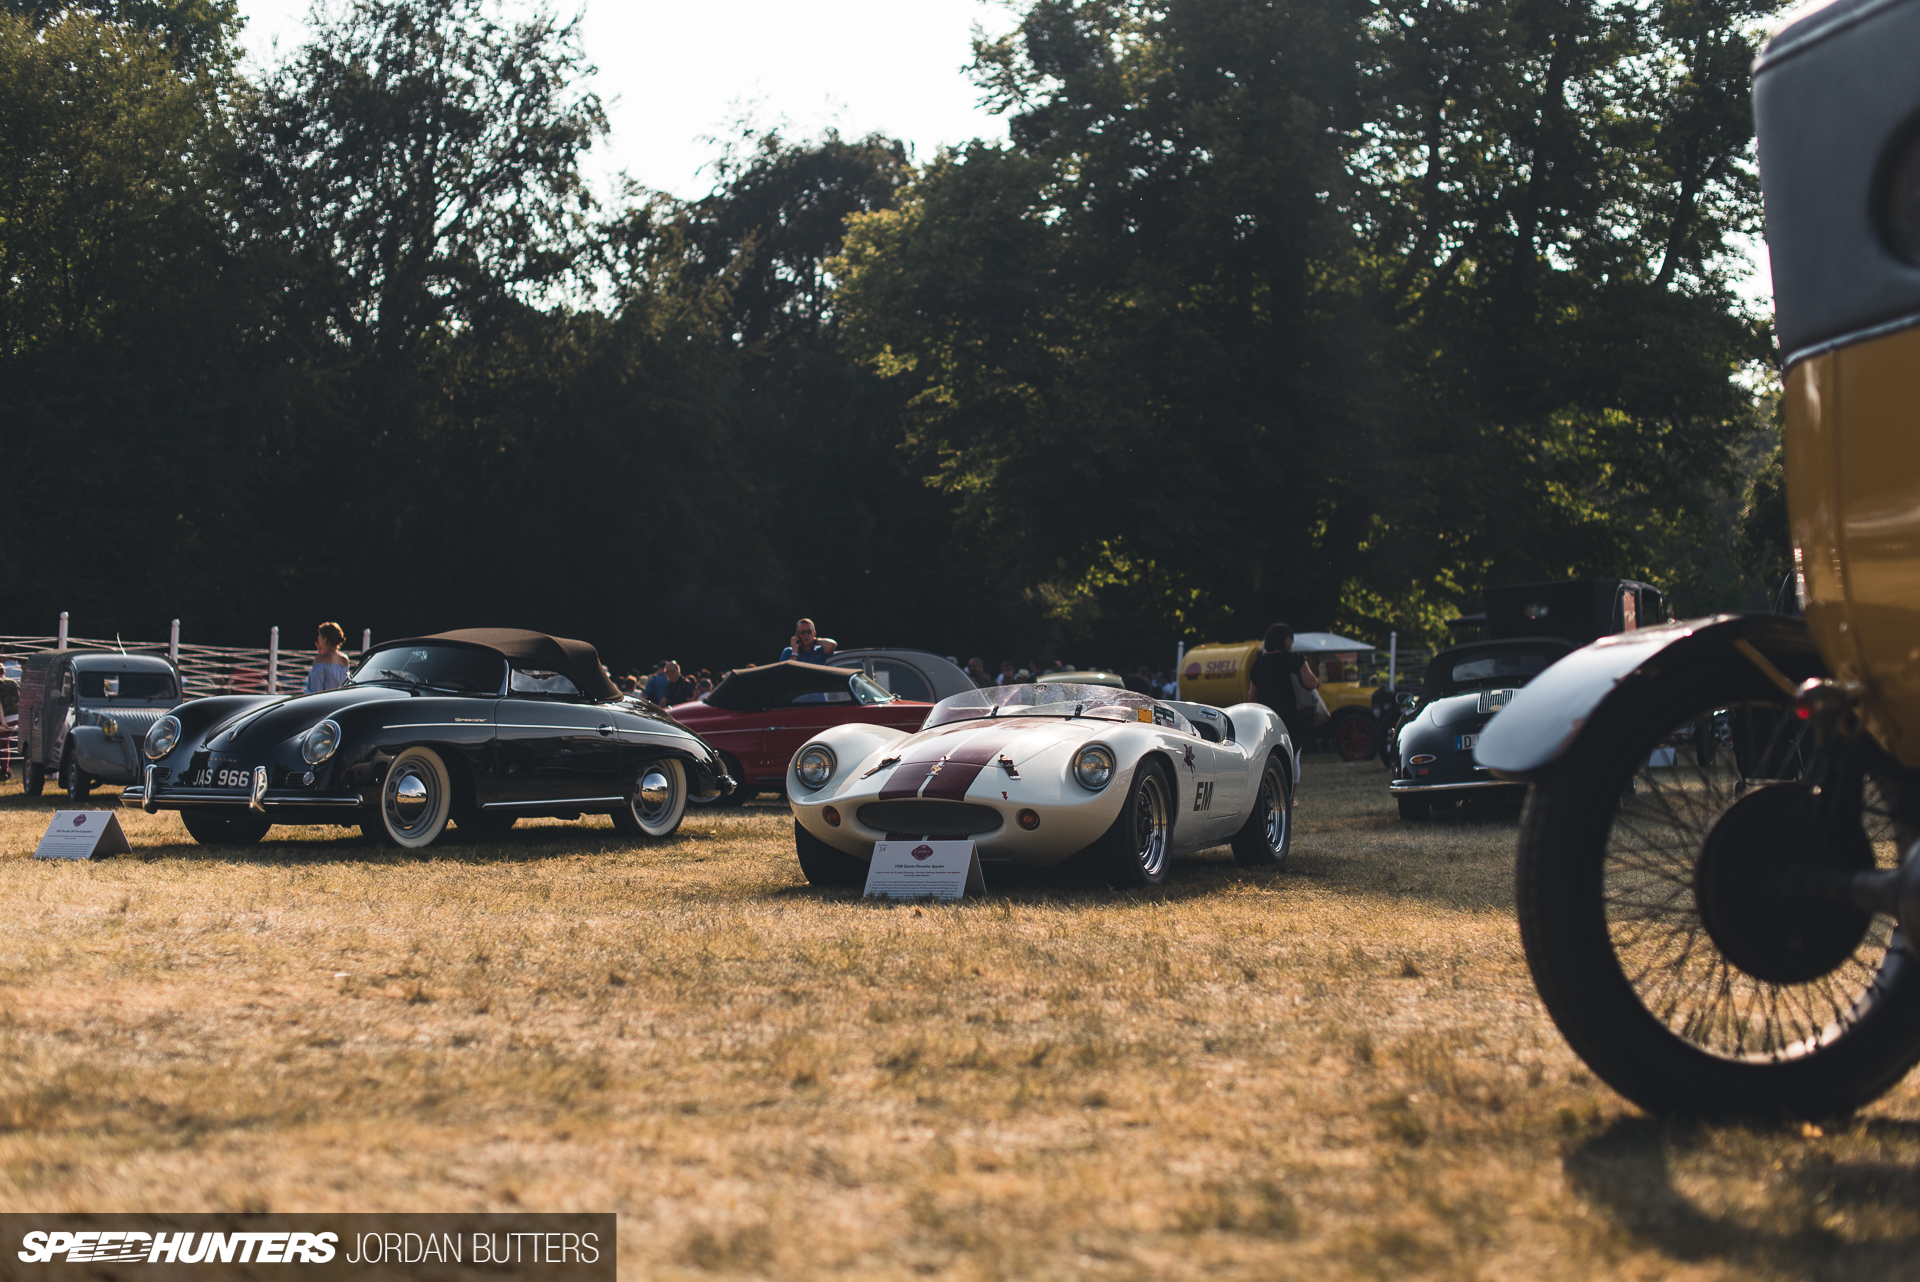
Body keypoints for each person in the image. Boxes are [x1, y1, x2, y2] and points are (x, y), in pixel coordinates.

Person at [1247, 622, 1319, 745]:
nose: (1293, 641)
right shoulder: (1296, 659)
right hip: (1293, 714)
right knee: (1293, 752)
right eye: (1291, 637)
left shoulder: (1260, 663)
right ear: (1283, 639)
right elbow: (1311, 683)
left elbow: (1252, 696)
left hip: (1268, 716)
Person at [304, 622, 351, 694]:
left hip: (325, 702)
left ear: (325, 639)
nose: (318, 639)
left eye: (320, 636)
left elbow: (315, 689)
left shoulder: (320, 659)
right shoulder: (345, 659)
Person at [0, 660, 17, 781]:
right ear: (4, 671)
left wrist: (2, 722)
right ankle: (4, 770)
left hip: (3, 719)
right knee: (5, 744)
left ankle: (3, 771)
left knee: (3, 744)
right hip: (15, 718)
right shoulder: (13, 683)